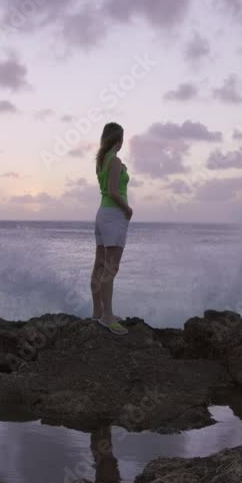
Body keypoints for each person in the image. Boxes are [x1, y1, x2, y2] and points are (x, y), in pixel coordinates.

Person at [91, 122, 132, 335]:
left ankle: (98, 311)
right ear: (119, 139)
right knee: (111, 268)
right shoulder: (114, 161)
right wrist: (127, 209)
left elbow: (107, 188)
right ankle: (107, 316)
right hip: (114, 215)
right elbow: (114, 191)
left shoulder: (101, 160)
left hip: (102, 215)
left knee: (100, 264)